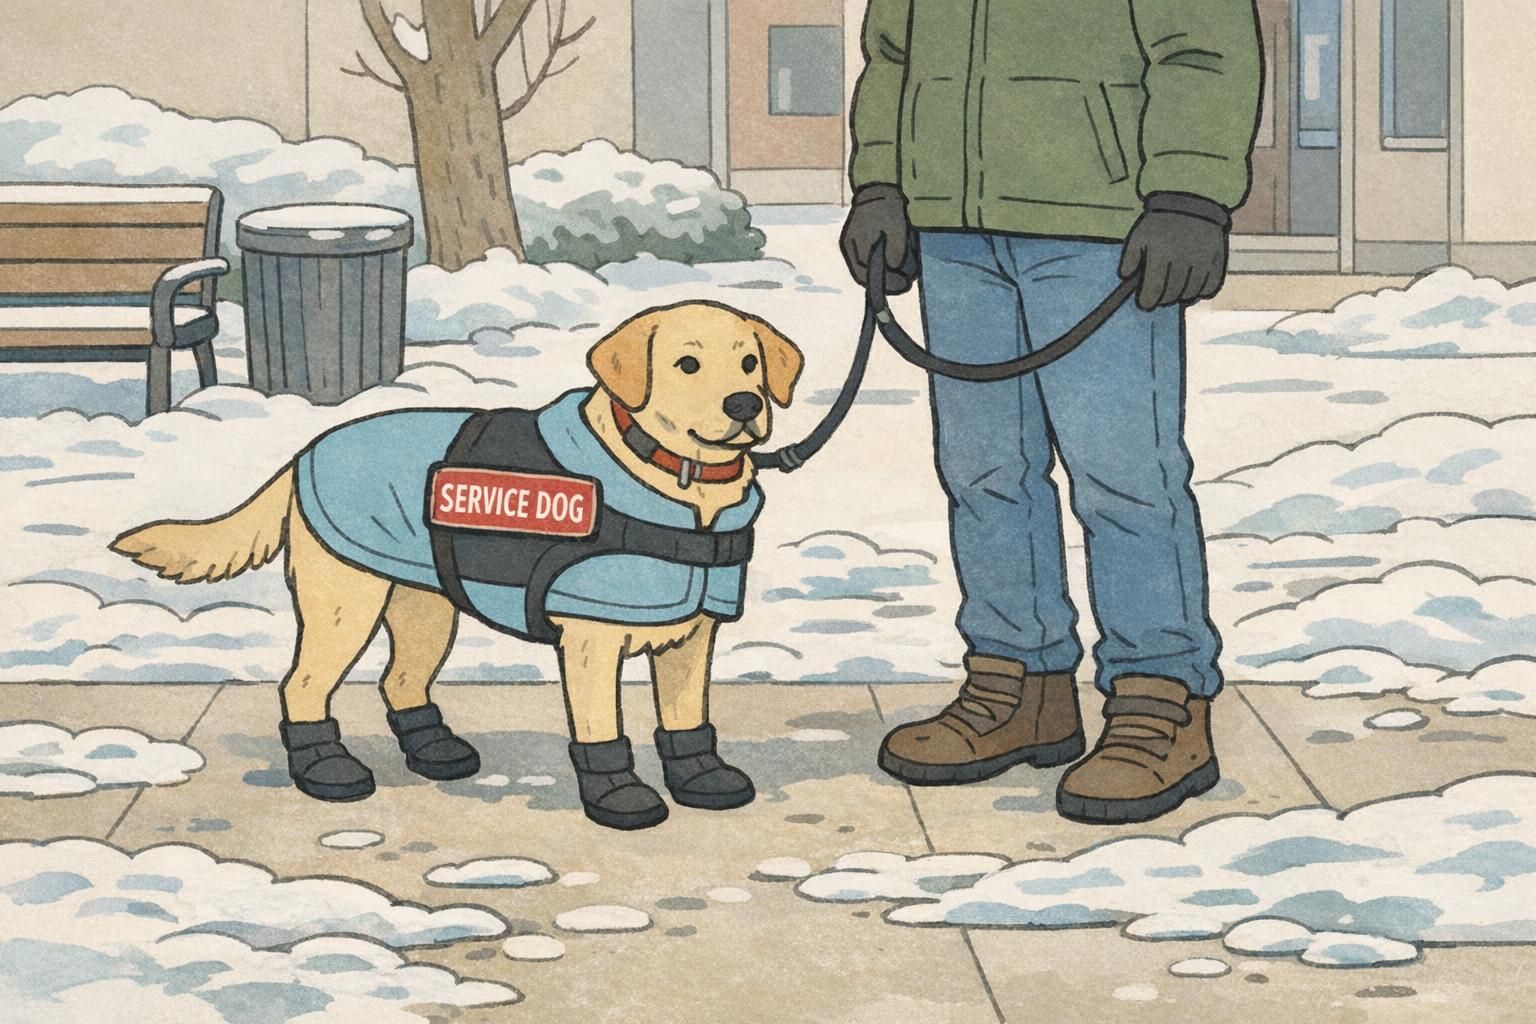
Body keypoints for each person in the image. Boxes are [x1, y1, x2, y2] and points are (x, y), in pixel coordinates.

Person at [842, 0, 1262, 824]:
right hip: (953, 229)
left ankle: (1161, 697)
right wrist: (882, 183)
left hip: (1103, 230)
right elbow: (890, 52)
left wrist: (1189, 196)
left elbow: (1205, 44)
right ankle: (1017, 682)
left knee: (1125, 476)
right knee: (982, 472)